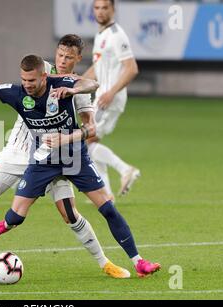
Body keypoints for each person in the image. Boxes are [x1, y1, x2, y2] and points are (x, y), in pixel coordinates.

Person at [0, 36, 130, 279]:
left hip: (52, 156)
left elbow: (89, 113)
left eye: (68, 57)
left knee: (69, 214)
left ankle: (105, 263)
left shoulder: (77, 88)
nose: (62, 60)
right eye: (60, 54)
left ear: (77, 59)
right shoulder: (40, 71)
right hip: (16, 151)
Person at [83, 0, 140, 200]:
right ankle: (106, 194)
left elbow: (131, 68)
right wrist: (75, 82)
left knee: (85, 141)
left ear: (113, 9)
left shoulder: (117, 35)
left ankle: (125, 169)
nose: (100, 12)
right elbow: (97, 69)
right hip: (102, 96)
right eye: (97, 8)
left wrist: (111, 92)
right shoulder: (101, 35)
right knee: (90, 142)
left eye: (105, 7)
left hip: (109, 98)